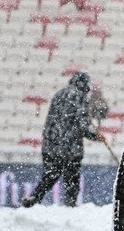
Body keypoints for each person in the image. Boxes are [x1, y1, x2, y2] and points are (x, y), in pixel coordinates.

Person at [22, 71, 103, 207]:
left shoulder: (59, 94)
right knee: (72, 176)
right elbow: (82, 124)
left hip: (50, 143)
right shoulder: (79, 96)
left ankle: (34, 198)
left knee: (51, 174)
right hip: (70, 145)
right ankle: (70, 204)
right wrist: (95, 136)